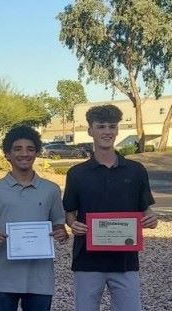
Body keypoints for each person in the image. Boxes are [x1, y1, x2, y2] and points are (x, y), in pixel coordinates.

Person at [63, 105, 159, 310]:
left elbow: (146, 210)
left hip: (125, 261)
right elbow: (70, 212)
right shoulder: (76, 174)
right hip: (87, 261)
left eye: (112, 127)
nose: (107, 131)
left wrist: (151, 218)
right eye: (101, 126)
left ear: (117, 130)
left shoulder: (136, 171)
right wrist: (73, 224)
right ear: (90, 131)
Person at [0, 126, 69, 311]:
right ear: (7, 154)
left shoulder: (51, 189)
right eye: (17, 149)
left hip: (40, 277)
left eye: (30, 149)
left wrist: (61, 232)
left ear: (36, 153)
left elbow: (58, 221)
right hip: (4, 275)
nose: (24, 154)